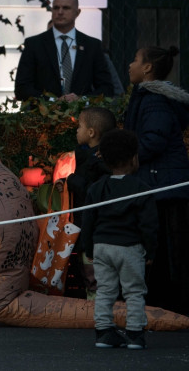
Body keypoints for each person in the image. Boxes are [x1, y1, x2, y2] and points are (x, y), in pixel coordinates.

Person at [123, 45, 189, 316]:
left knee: (162, 246)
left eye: (135, 60)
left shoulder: (153, 100)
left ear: (147, 68)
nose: (130, 65)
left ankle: (167, 303)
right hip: (161, 182)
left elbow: (153, 140)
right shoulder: (150, 97)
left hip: (161, 184)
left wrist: (126, 159)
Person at [81, 128, 158, 349]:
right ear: (134, 158)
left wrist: (89, 249)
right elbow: (149, 225)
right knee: (134, 291)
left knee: (105, 289)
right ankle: (134, 334)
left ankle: (103, 332)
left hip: (102, 246)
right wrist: (150, 251)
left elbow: (88, 221)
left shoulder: (96, 188)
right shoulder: (141, 188)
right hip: (129, 247)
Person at [55, 106, 116, 299]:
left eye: (79, 126)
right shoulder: (90, 157)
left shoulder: (99, 160)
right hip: (87, 226)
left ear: (91, 132)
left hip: (93, 229)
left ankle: (98, 309)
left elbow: (91, 190)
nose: (76, 130)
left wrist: (71, 180)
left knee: (93, 274)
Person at [14, 0, 114, 102]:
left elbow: (106, 88)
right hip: (43, 116)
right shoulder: (34, 44)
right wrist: (52, 101)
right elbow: (21, 89)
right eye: (56, 8)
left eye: (66, 8)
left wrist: (81, 100)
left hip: (83, 116)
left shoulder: (92, 46)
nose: (60, 12)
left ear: (77, 12)